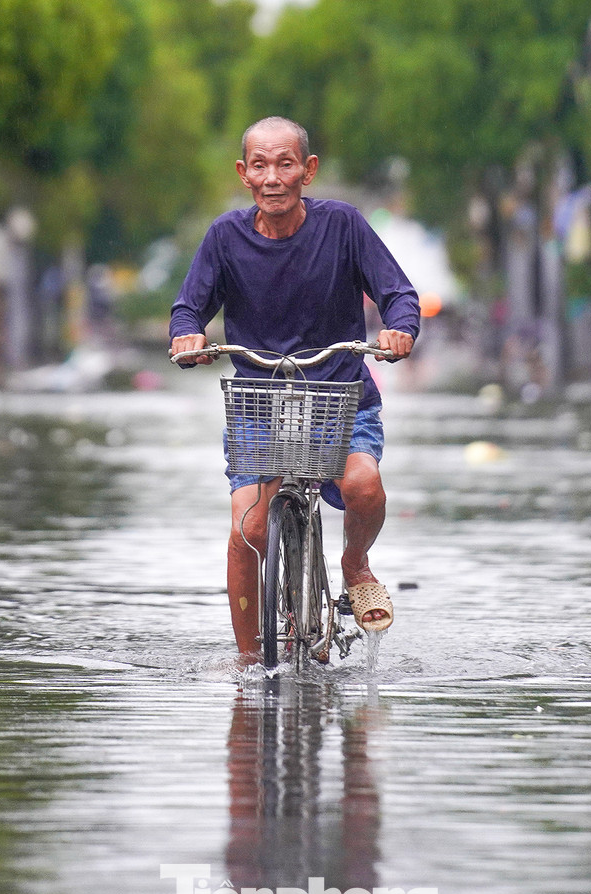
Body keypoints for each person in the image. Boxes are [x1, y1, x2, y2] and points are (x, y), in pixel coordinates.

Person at [169, 116, 419, 663]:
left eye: (285, 164)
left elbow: (399, 294)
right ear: (244, 174)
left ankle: (355, 564)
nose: (272, 177)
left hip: (341, 395)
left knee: (364, 484)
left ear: (308, 171)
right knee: (248, 529)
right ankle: (248, 663)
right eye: (259, 165)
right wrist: (187, 335)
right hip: (259, 405)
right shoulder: (224, 238)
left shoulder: (344, 226)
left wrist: (399, 330)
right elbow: (189, 306)